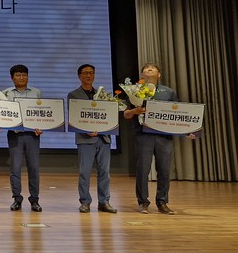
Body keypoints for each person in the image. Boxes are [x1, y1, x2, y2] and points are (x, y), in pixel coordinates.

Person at [123, 62, 192, 215]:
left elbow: (177, 115)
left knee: (164, 170)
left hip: (164, 137)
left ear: (159, 74)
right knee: (142, 170)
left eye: (153, 68)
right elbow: (126, 114)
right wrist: (135, 111)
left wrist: (188, 131)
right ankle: (143, 202)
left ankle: (162, 202)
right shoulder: (135, 91)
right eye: (146, 68)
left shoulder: (168, 92)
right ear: (142, 74)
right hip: (143, 135)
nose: (149, 69)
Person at [67, 64, 116, 214]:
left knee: (105, 172)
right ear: (79, 76)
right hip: (85, 139)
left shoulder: (103, 94)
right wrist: (86, 131)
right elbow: (74, 117)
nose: (89, 75)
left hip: (103, 138)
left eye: (91, 73)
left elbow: (108, 115)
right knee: (85, 172)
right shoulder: (73, 95)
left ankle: (104, 202)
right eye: (85, 73)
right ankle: (85, 202)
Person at [3, 64, 43, 212]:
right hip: (15, 135)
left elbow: (41, 113)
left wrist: (41, 126)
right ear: (12, 77)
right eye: (18, 75)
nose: (21, 77)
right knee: (15, 168)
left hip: (33, 135)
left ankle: (34, 200)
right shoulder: (5, 94)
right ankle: (17, 199)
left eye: (24, 75)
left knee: (34, 168)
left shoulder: (36, 93)